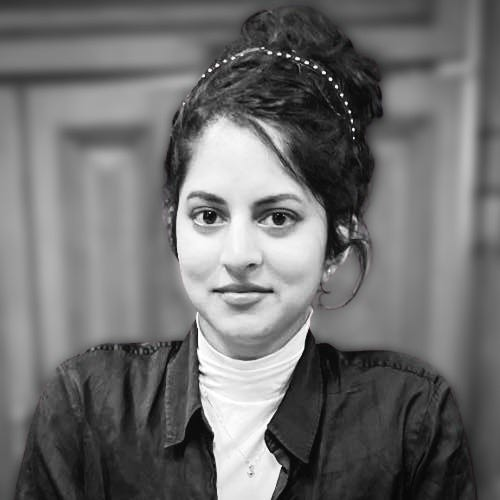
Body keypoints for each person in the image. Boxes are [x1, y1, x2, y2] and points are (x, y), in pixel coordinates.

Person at [15, 6, 476, 499]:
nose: (238, 256)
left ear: (337, 243)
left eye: (277, 217)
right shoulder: (85, 408)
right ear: (173, 227)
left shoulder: (411, 422)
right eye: (208, 215)